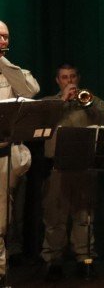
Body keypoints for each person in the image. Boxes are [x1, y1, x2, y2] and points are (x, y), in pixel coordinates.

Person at [40, 63, 104, 282]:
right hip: (57, 167)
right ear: (57, 81)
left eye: (72, 77)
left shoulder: (92, 101)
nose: (69, 81)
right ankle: (53, 261)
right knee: (55, 218)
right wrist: (61, 101)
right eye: (64, 78)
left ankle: (84, 259)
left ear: (78, 78)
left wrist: (89, 105)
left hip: (84, 166)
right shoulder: (48, 103)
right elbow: (41, 124)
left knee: (84, 217)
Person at [0, 21, 36, 285]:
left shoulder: (12, 72)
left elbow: (30, 90)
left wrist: (2, 62)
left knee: (0, 222)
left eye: (5, 37)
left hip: (3, 156)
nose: (2, 40)